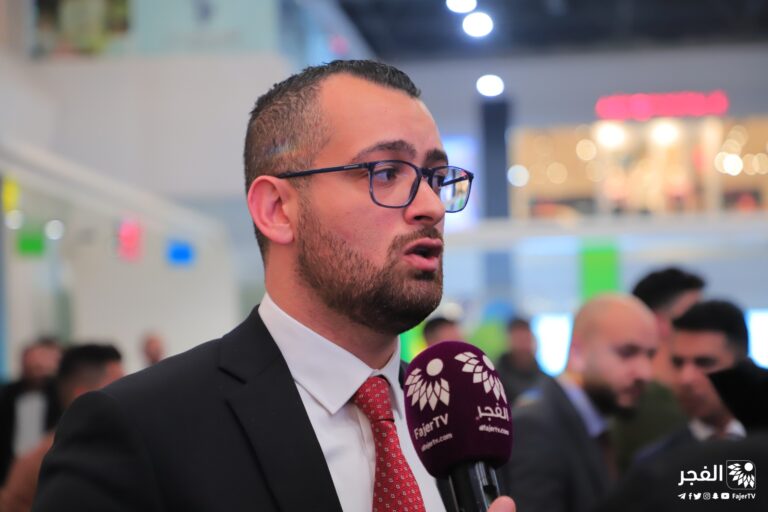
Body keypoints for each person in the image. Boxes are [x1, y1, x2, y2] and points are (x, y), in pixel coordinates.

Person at [33, 60, 515, 512]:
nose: (431, 206)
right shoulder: (140, 429)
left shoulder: (458, 421)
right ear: (277, 210)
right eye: (386, 173)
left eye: (436, 177)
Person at [501, 293, 658, 512]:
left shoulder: (593, 421)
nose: (645, 372)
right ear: (577, 351)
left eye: (650, 355)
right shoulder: (536, 427)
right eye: (627, 353)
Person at [0, 344, 124, 512]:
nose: (127, 394)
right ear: (83, 395)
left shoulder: (127, 448)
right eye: (118, 385)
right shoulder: (38, 462)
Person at [611, 266, 705, 472]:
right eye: (694, 313)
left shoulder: (687, 396)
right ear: (658, 322)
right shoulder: (639, 400)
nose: (705, 322)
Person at [634, 300, 751, 464]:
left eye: (704, 363)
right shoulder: (655, 465)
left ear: (742, 367)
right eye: (678, 363)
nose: (686, 378)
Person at [0, 338, 62, 485]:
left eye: (41, 368)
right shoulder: (7, 395)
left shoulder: (58, 397)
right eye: (31, 367)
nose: (36, 373)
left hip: (47, 466)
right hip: (9, 466)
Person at [495, 317, 544, 405]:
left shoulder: (545, 381)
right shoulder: (494, 379)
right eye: (519, 341)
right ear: (509, 342)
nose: (524, 347)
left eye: (527, 340)